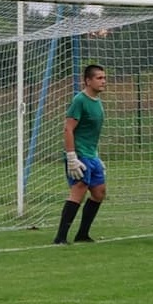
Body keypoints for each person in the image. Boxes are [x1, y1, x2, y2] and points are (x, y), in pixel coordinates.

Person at [56, 62, 110, 245]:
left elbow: (91, 134)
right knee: (79, 190)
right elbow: (68, 129)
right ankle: (60, 237)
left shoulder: (98, 102)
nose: (103, 81)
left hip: (91, 155)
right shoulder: (79, 100)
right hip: (79, 154)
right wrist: (71, 157)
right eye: (99, 78)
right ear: (88, 81)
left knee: (99, 192)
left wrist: (97, 157)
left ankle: (82, 235)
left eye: (104, 77)